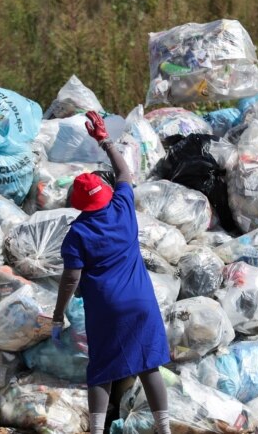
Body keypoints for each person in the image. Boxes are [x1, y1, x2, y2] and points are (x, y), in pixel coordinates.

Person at [52, 111, 171, 434]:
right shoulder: (122, 207)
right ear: (104, 194)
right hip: (142, 303)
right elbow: (124, 171)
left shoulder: (77, 233)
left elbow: (71, 279)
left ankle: (95, 429)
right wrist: (105, 141)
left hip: (106, 308)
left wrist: (58, 315)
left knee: (102, 370)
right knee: (149, 365)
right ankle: (164, 427)